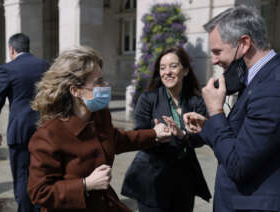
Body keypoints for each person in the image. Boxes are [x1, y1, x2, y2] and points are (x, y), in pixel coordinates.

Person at [183, 5, 280, 212]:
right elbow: (245, 142)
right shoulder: (260, 79)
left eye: (218, 51)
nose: (215, 60)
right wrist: (209, 126)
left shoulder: (276, 88)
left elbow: (238, 165)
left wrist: (216, 112)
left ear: (244, 43)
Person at [26, 46, 172, 212]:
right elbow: (39, 192)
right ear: (75, 91)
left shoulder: (100, 115)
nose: (106, 85)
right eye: (98, 82)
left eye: (103, 79)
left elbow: (116, 139)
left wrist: (155, 134)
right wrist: (85, 185)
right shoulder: (48, 135)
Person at [121, 47, 211, 212]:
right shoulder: (148, 99)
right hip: (151, 179)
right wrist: (155, 133)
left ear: (185, 70)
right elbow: (138, 134)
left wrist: (182, 134)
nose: (167, 72)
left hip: (184, 180)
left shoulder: (196, 102)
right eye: (162, 68)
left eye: (173, 66)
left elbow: (202, 138)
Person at [0, 33, 49, 212]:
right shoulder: (45, 65)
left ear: (12, 49)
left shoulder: (8, 69)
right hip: (44, 129)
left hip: (20, 131)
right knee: (41, 173)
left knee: (22, 174)